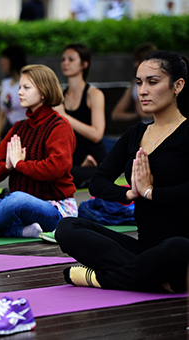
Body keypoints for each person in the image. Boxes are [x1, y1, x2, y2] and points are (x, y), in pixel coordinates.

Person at [56, 51, 189, 293]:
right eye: (139, 82)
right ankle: (160, 280)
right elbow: (97, 181)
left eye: (153, 81)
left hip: (181, 248)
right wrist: (129, 194)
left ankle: (100, 279)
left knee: (178, 246)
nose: (143, 90)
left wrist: (150, 192)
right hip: (145, 249)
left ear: (177, 85)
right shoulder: (134, 135)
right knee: (66, 229)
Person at [0, 65, 77, 239]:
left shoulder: (59, 126)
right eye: (20, 87)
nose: (19, 92)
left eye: (26, 88)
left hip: (55, 210)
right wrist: (7, 165)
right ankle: (20, 230)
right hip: (20, 208)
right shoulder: (19, 128)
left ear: (43, 92)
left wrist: (20, 164)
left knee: (17, 200)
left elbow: (56, 167)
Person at [55, 43, 106, 188]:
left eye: (71, 59)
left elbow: (97, 134)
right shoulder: (60, 96)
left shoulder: (94, 94)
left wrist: (64, 116)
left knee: (70, 175)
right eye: (63, 59)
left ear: (84, 64)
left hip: (92, 157)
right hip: (70, 156)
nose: (65, 63)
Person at [111, 43, 157, 124]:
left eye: (139, 60)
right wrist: (137, 114)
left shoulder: (163, 83)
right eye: (135, 61)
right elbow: (116, 114)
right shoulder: (133, 84)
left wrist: (146, 113)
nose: (136, 64)